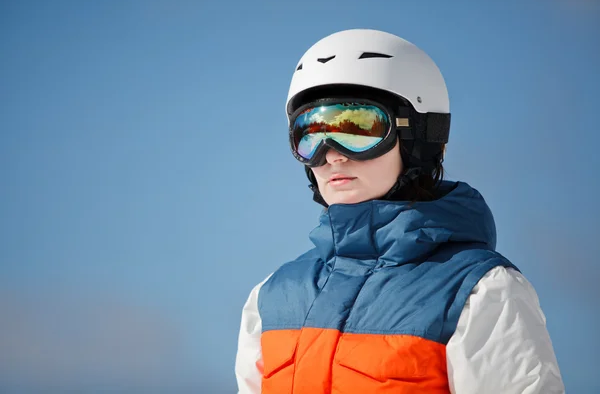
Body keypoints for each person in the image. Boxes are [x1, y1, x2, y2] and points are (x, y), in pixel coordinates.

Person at [235, 29, 565, 394]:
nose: (331, 154)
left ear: (417, 138)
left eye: (358, 128)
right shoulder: (272, 297)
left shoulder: (480, 292)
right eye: (310, 133)